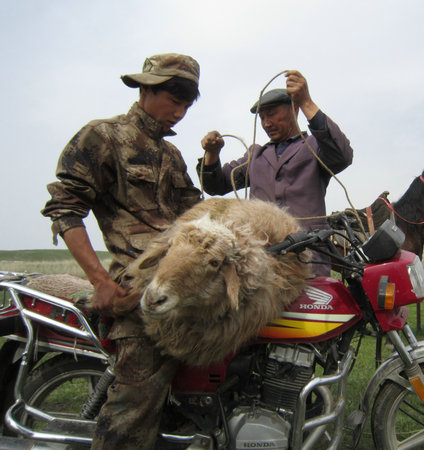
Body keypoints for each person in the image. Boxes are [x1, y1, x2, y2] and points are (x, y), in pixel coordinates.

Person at [41, 53, 202, 449]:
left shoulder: (172, 156)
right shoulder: (103, 137)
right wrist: (100, 280)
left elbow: (193, 215)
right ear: (146, 88)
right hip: (137, 284)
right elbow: (65, 208)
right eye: (173, 100)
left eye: (186, 104)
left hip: (179, 277)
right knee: (137, 397)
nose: (179, 113)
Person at [197, 70, 353, 276]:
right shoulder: (256, 156)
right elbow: (216, 185)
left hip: (308, 257)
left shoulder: (315, 146)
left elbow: (343, 155)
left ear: (294, 110)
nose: (266, 123)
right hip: (262, 259)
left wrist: (306, 102)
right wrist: (212, 154)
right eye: (262, 118)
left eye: (272, 115)